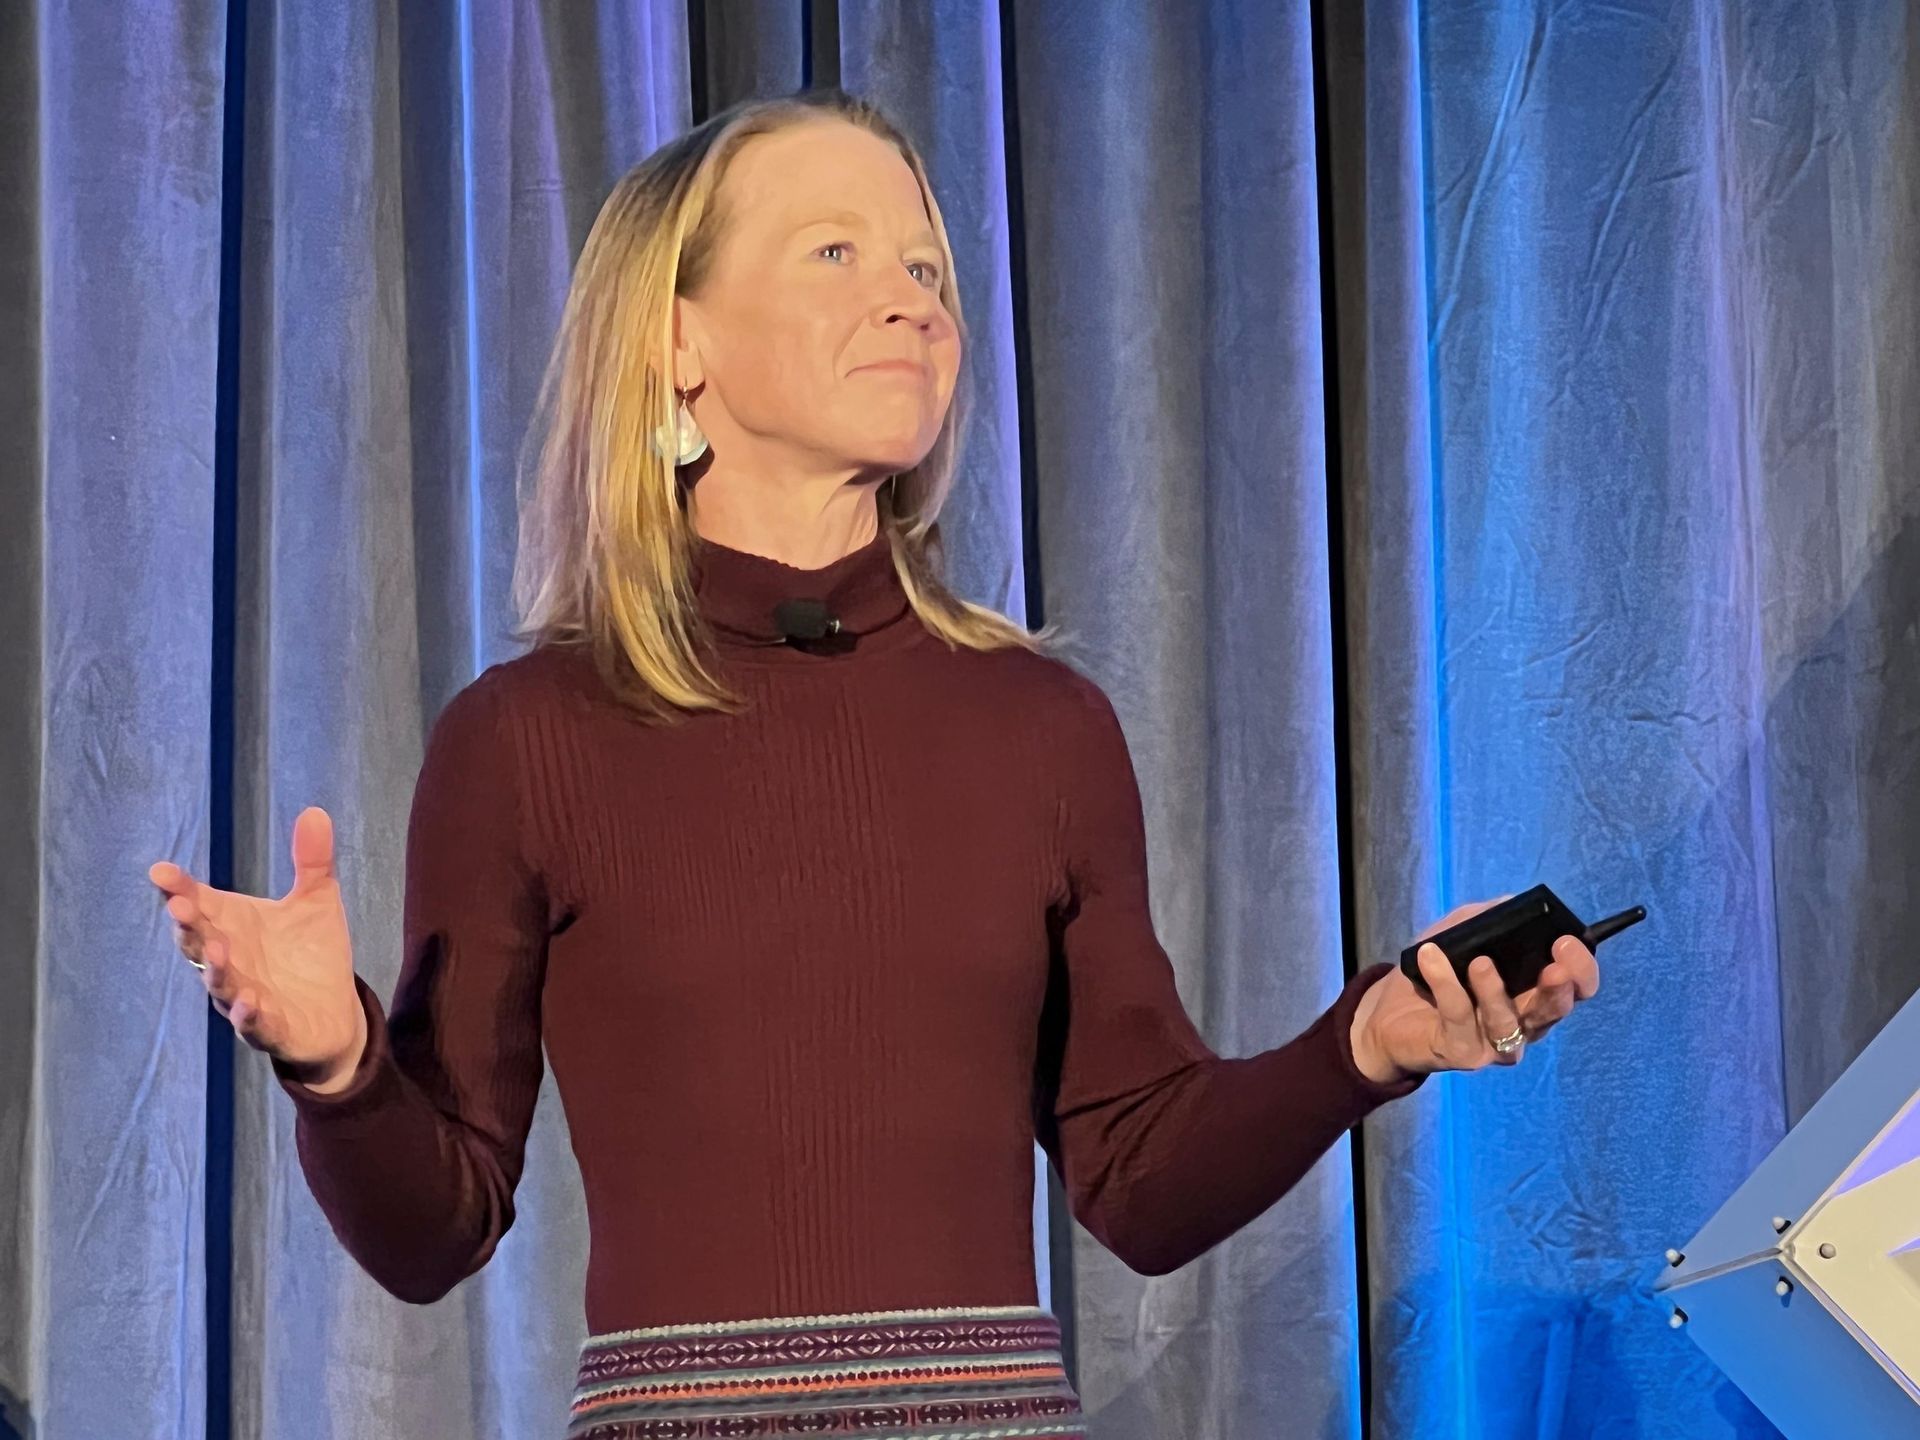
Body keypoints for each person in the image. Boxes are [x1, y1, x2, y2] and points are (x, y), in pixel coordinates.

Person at [147, 87, 1600, 1439]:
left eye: (927, 267)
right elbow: (432, 1231)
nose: (911, 297)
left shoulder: (1043, 729)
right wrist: (337, 1065)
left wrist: (1373, 1041)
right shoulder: (527, 738)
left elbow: (1140, 1180)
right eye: (836, 251)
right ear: (678, 341)